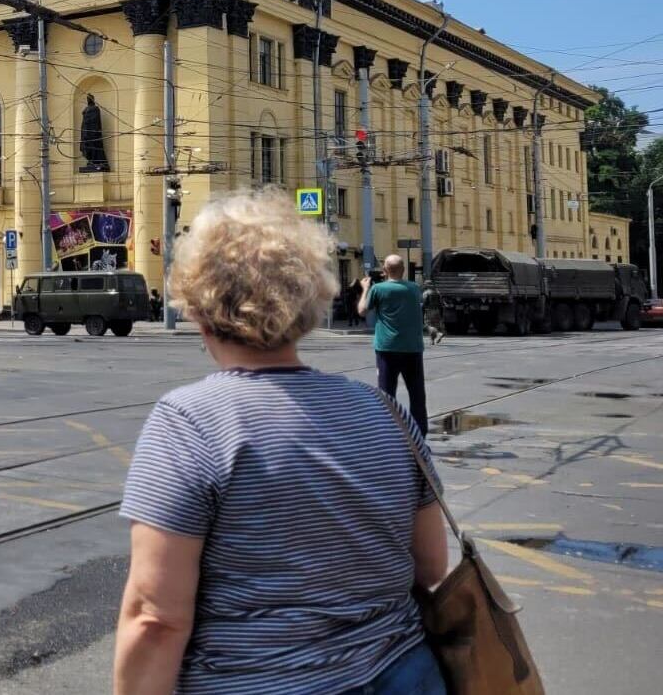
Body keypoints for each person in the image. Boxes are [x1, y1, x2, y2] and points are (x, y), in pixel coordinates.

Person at [114, 192, 448, 695]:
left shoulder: (187, 425)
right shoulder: (387, 415)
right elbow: (432, 567)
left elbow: (155, 621)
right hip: (402, 676)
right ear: (308, 301)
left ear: (199, 309)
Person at [359, 254, 428, 436]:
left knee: (387, 396)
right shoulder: (414, 288)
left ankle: (388, 435)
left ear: (384, 271)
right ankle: (420, 436)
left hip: (387, 348)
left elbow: (362, 310)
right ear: (404, 270)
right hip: (412, 348)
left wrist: (366, 288)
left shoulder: (378, 289)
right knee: (417, 396)